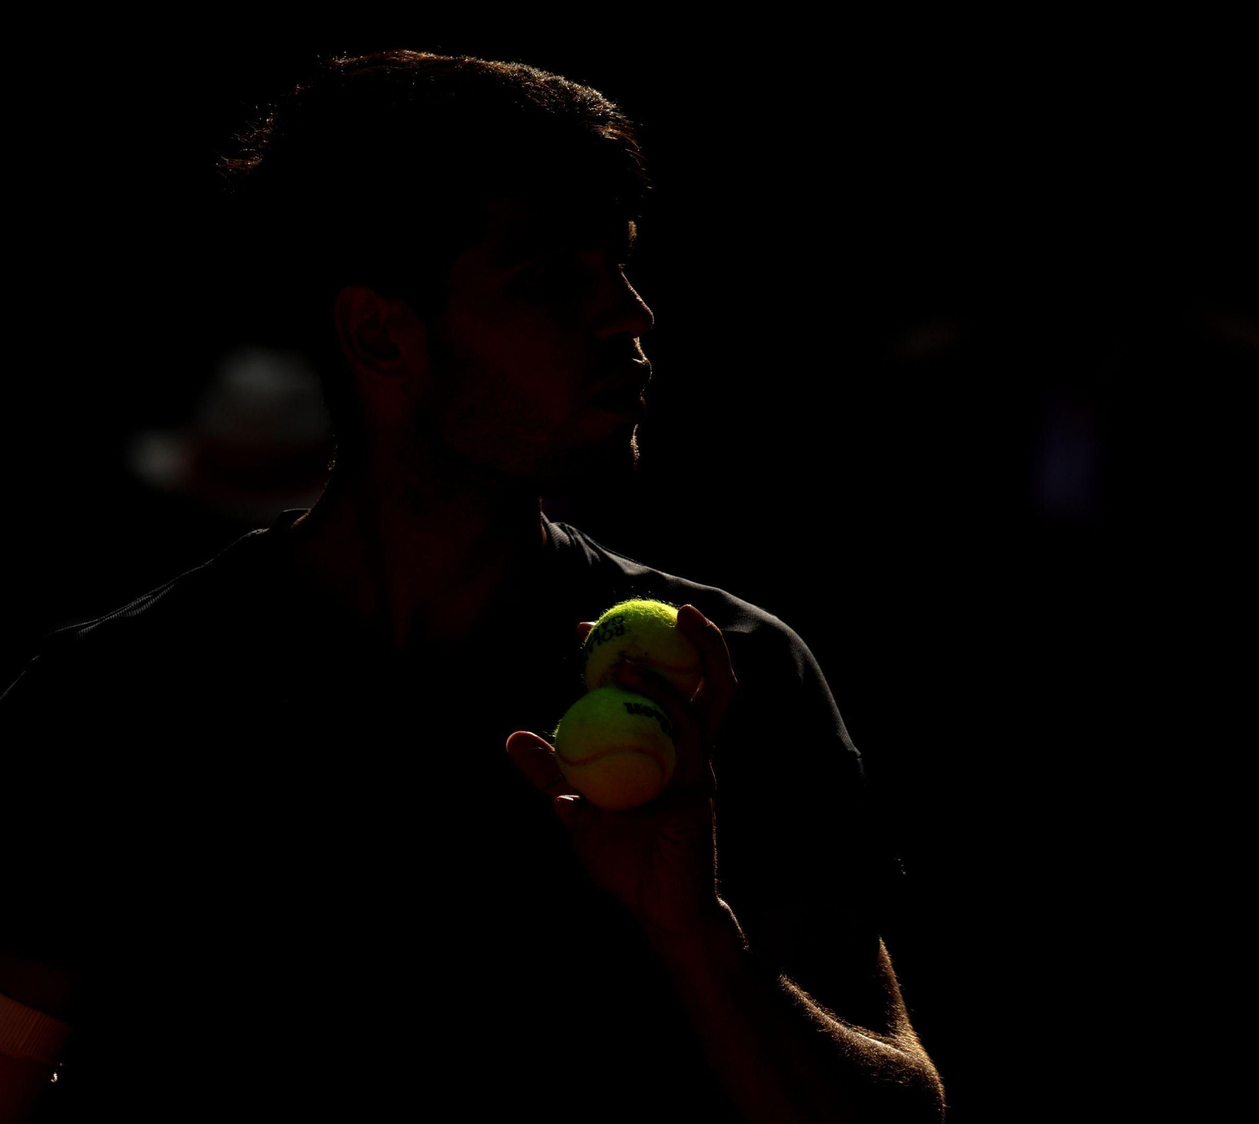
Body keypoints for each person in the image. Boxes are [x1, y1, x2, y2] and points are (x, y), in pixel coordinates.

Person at [0, 50, 946, 1123]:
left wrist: (696, 935)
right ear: (381, 333)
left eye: (623, 263)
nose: (629, 317)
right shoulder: (115, 697)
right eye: (550, 278)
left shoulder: (728, 671)